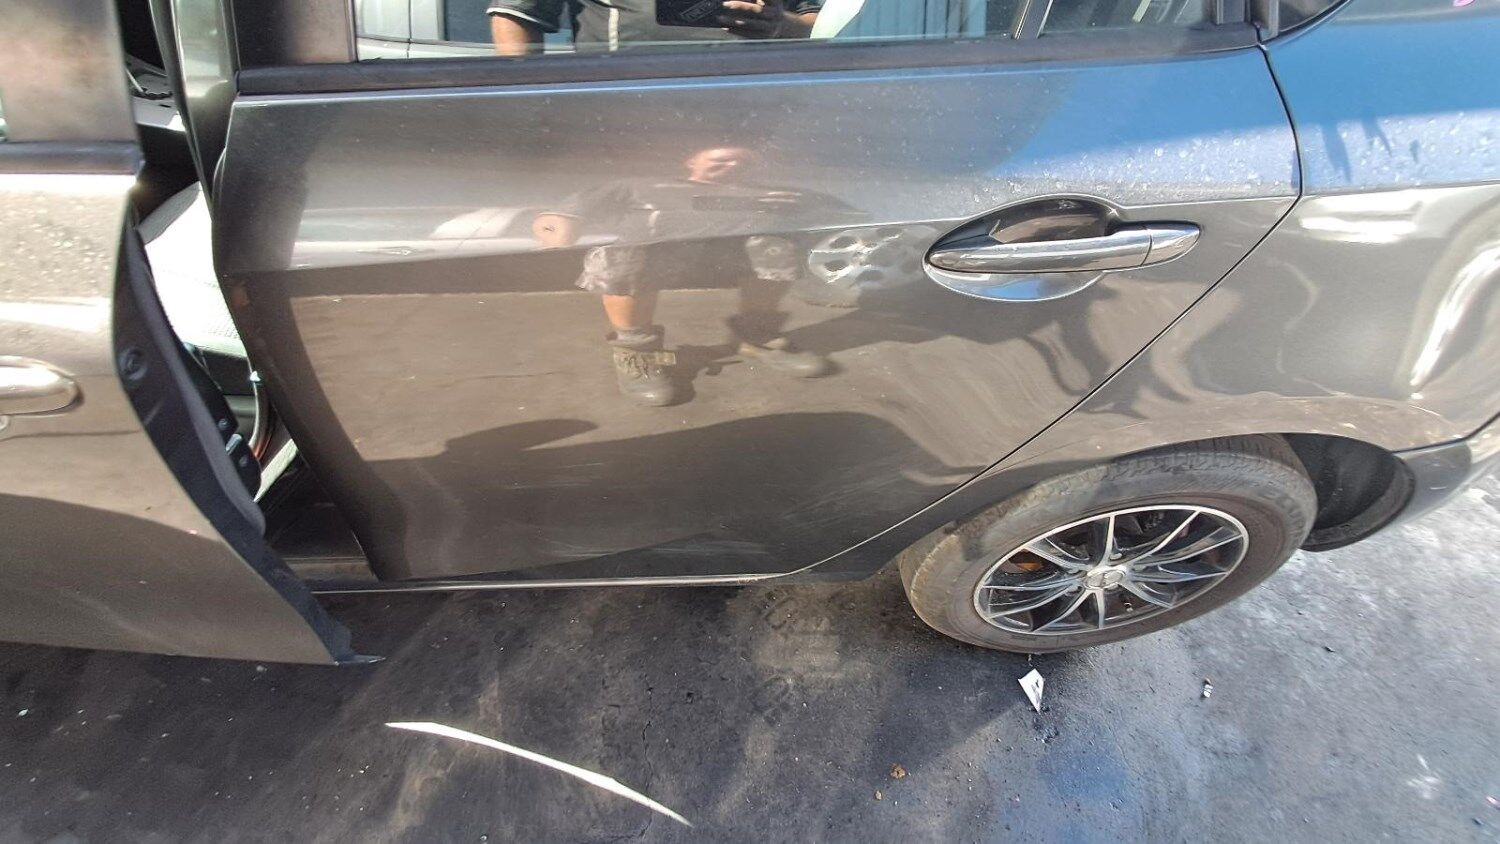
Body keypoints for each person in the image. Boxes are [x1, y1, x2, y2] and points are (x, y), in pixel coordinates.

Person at [534, 146, 834, 406]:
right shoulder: (641, 185)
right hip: (657, 253)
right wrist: (557, 232)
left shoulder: (770, 192)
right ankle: (636, 353)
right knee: (623, 255)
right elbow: (561, 214)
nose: (733, 165)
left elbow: (839, 214)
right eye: (721, 159)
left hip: (735, 255)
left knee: (775, 244)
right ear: (692, 160)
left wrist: (801, 212)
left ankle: (758, 336)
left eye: (742, 161)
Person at [489, 0, 823, 56]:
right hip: (622, 105)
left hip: (754, 103)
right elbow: (517, 17)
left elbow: (819, 26)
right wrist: (529, 109)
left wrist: (780, 24)